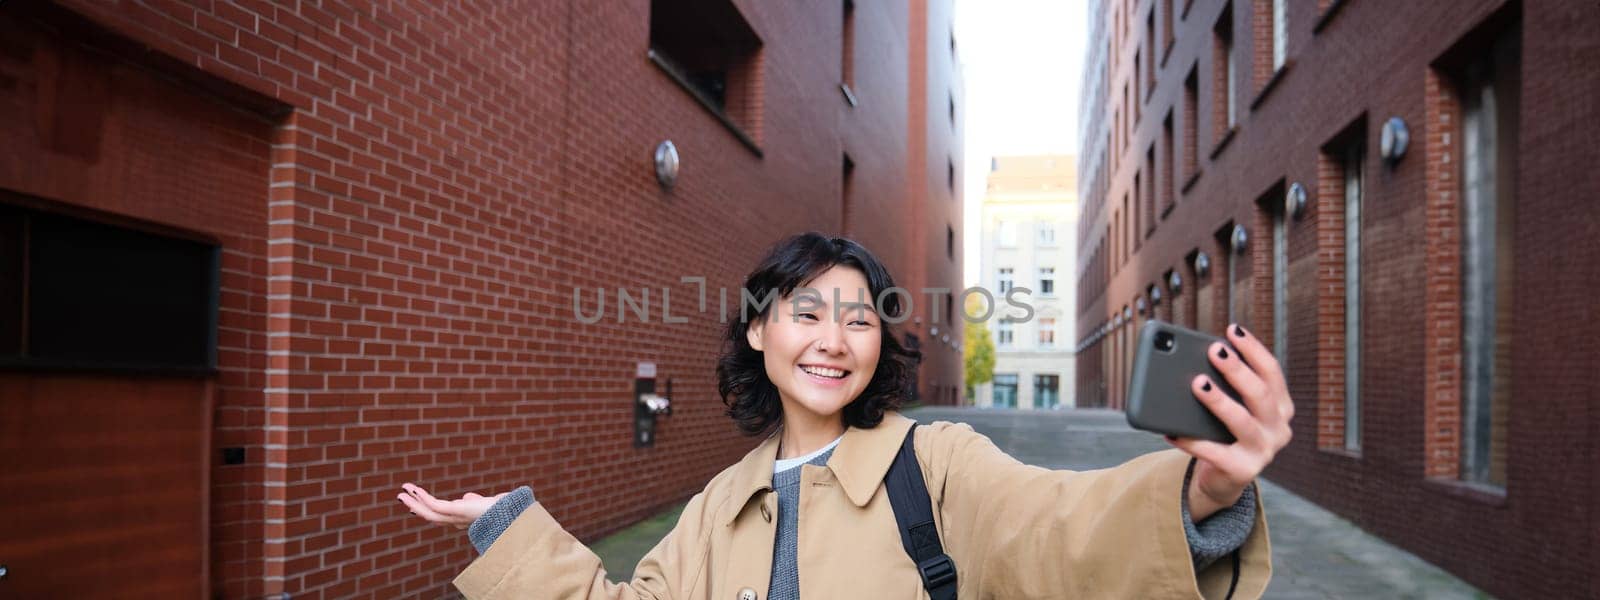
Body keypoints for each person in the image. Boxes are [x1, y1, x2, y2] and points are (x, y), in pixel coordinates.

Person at [399, 232, 1290, 599]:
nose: (835, 338)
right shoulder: (719, 504)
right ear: (758, 331)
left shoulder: (938, 463)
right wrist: (506, 527)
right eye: (807, 311)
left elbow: (1058, 532)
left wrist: (1204, 492)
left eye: (859, 316)